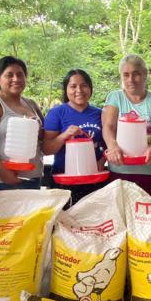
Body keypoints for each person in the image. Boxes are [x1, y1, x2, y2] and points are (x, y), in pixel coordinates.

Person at [101, 54, 151, 198]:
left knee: (149, 217)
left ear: (145, 75)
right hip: (120, 169)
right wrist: (112, 147)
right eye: (126, 75)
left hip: (149, 170)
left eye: (136, 74)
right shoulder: (115, 97)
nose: (130, 80)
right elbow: (108, 126)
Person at [0, 56, 44, 190]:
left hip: (33, 177)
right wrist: (3, 173)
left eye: (20, 75)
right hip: (4, 181)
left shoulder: (31, 104)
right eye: (9, 75)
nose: (16, 79)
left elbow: (42, 139)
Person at [43, 69, 106, 205]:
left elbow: (108, 146)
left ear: (90, 88)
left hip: (94, 178)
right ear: (66, 89)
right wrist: (65, 135)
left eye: (84, 85)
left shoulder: (100, 114)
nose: (79, 90)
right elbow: (46, 149)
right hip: (63, 179)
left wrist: (102, 161)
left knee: (94, 222)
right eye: (73, 86)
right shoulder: (56, 113)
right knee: (64, 222)